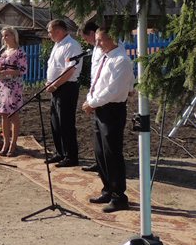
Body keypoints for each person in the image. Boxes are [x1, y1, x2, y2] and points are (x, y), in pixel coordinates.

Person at [83, 28, 135, 213]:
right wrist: (91, 99)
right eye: (96, 40)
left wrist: (93, 102)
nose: (97, 44)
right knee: (100, 153)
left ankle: (119, 196)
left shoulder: (121, 60)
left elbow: (112, 90)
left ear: (112, 38)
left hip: (112, 109)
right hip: (100, 108)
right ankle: (107, 189)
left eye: (100, 40)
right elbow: (97, 82)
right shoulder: (105, 57)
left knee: (112, 153)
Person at [44, 19, 83, 168]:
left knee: (66, 122)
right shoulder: (57, 45)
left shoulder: (71, 45)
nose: (49, 35)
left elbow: (70, 70)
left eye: (50, 32)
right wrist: (50, 82)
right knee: (55, 122)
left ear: (59, 31)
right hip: (56, 87)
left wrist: (55, 84)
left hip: (67, 87)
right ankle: (60, 152)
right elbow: (55, 66)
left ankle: (71, 156)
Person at [0, 26, 28, 156]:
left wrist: (9, 72)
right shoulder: (2, 51)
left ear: (14, 36)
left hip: (14, 85)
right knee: (3, 114)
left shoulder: (20, 52)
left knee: (13, 114)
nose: (4, 38)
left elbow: (23, 70)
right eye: (3, 36)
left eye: (7, 35)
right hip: (2, 84)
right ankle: (5, 143)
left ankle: (13, 144)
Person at [79, 20, 102, 173]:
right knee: (97, 134)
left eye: (85, 37)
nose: (84, 41)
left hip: (104, 98)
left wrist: (95, 99)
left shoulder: (107, 49)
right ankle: (99, 162)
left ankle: (104, 165)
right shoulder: (96, 49)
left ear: (92, 34)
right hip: (95, 95)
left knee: (105, 137)